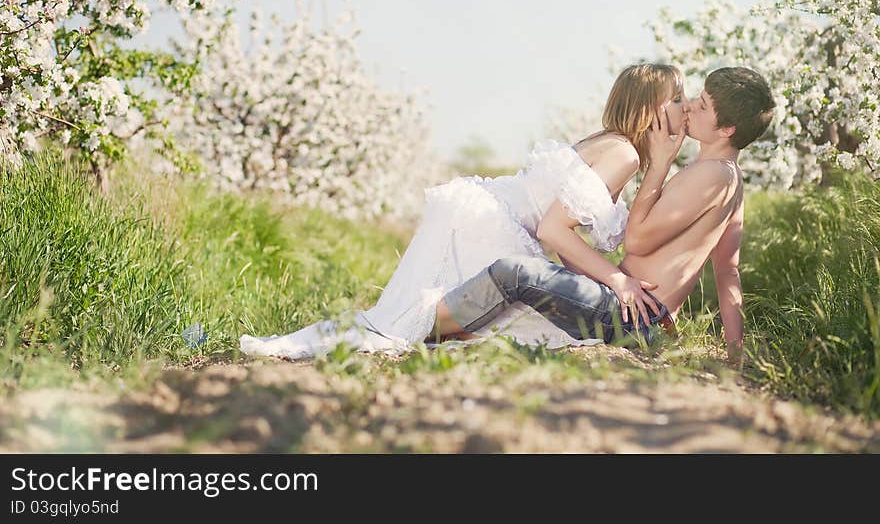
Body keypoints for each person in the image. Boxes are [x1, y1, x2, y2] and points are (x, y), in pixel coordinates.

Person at [239, 64, 687, 360]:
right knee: (495, 330)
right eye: (678, 98)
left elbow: (565, 237)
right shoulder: (624, 154)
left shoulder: (605, 142)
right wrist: (617, 280)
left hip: (483, 208)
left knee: (418, 320)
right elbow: (554, 230)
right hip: (494, 222)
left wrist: (596, 281)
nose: (684, 108)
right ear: (651, 108)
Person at [430, 67, 775, 366]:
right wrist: (736, 350)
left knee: (516, 271)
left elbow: (637, 240)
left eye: (702, 106)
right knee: (532, 282)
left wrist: (658, 165)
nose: (690, 109)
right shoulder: (731, 179)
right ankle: (449, 329)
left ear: (726, 129)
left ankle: (423, 325)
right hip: (639, 313)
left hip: (634, 318)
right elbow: (727, 269)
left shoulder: (710, 174)